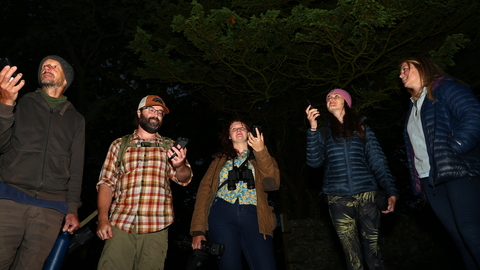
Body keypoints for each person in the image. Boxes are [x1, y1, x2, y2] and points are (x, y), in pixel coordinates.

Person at [0, 56, 85, 270]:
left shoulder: (76, 120)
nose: (47, 67)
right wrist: (5, 105)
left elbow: (76, 168)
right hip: (10, 199)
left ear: (66, 80)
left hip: (51, 209)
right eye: (45, 65)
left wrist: (72, 208)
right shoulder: (22, 102)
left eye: (55, 66)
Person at [399, 56, 480, 270]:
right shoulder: (414, 106)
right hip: (430, 180)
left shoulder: (445, 88)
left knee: (472, 232)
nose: (401, 74)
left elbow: (473, 114)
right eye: (401, 71)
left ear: (422, 67)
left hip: (458, 171)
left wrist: (456, 146)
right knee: (460, 240)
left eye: (406, 68)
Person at [96, 95, 192, 270]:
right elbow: (106, 183)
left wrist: (179, 165)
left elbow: (185, 178)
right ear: (139, 113)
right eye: (151, 110)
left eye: (160, 113)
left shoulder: (169, 146)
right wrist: (103, 219)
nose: (156, 114)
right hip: (120, 223)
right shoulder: (119, 145)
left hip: (157, 225)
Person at [305, 89, 398, 270]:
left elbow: (378, 162)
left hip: (367, 197)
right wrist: (312, 128)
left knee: (373, 255)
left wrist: (391, 191)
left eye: (336, 96)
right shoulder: (323, 132)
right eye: (328, 97)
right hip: (338, 199)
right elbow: (314, 162)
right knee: (353, 259)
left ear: (346, 102)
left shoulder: (362, 129)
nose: (331, 99)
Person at [190, 120, 280, 270]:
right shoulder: (218, 161)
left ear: (249, 133)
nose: (238, 130)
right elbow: (204, 194)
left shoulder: (262, 156)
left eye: (242, 127)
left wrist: (261, 151)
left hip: (255, 216)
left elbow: (272, 184)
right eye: (234, 128)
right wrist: (198, 230)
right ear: (229, 136)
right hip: (221, 215)